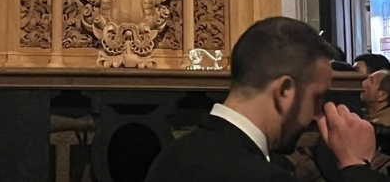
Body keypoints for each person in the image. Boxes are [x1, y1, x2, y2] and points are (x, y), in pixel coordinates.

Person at [146, 17, 387, 182]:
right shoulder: (262, 176)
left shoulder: (169, 157)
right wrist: (356, 166)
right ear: (285, 91)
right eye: (316, 97)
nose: (317, 114)